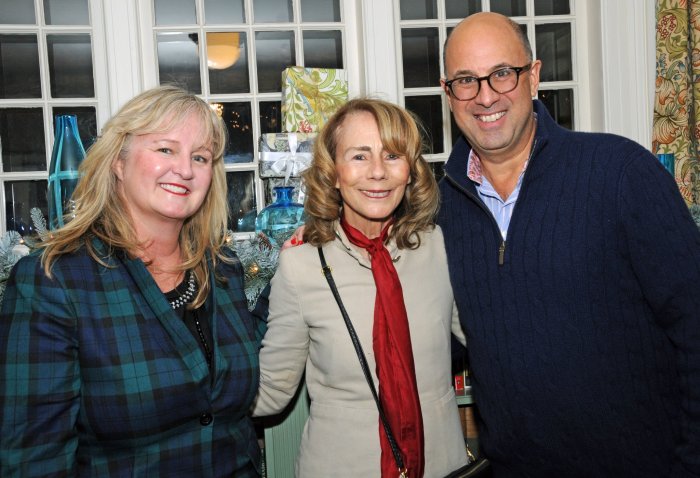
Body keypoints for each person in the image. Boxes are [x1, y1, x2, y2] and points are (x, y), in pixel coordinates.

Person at [439, 11, 700, 478]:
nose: (485, 96)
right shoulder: (440, 211)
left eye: (502, 73)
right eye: (465, 80)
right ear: (448, 94)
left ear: (533, 76)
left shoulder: (621, 174)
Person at [0, 85, 265, 477]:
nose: (186, 169)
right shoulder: (54, 281)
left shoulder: (222, 269)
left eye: (200, 157)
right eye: (165, 150)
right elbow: (33, 460)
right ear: (118, 163)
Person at [252, 98, 469, 477]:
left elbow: (492, 341)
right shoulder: (301, 264)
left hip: (441, 466)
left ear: (410, 171)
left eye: (392, 156)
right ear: (333, 172)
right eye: (359, 156)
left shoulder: (440, 249)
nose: (377, 173)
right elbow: (272, 390)